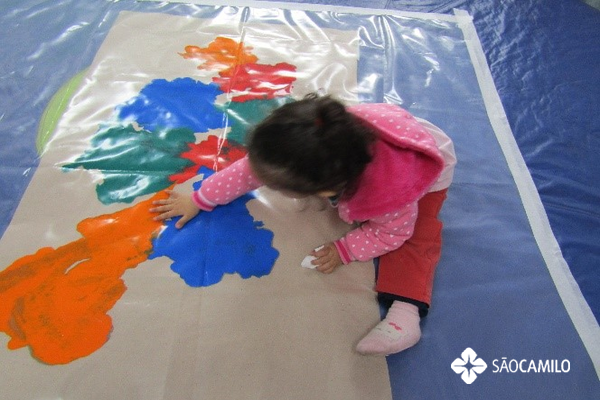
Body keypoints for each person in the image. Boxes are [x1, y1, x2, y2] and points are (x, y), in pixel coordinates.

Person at [150, 94, 456, 356]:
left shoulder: (392, 193)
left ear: (324, 191)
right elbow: (248, 171)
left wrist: (345, 249)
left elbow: (392, 233)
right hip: (382, 140)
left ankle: (406, 311)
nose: (259, 180)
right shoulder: (317, 140)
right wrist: (201, 199)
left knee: (417, 235)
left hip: (427, 171)